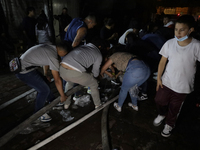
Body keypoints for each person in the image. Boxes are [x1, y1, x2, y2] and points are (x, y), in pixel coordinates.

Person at [153, 15, 200, 137]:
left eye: (182, 29)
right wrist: (159, 78)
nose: (178, 33)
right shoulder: (169, 43)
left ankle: (169, 124)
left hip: (183, 86)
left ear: (191, 30)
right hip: (167, 81)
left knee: (175, 107)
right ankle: (162, 114)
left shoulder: (196, 46)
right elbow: (162, 61)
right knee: (159, 100)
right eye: (176, 29)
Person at [15, 42, 71, 122]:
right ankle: (38, 114)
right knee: (44, 90)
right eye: (65, 55)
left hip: (26, 67)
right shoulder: (53, 57)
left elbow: (46, 61)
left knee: (44, 82)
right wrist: (62, 95)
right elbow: (57, 80)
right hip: (24, 72)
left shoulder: (51, 47)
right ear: (63, 52)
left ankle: (52, 100)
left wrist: (45, 74)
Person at [59, 39, 109, 109]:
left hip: (62, 70)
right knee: (94, 83)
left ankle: (66, 104)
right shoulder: (98, 54)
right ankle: (98, 105)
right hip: (75, 73)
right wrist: (93, 78)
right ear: (100, 47)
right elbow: (95, 72)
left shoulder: (83, 46)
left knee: (69, 82)